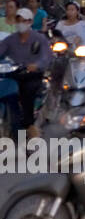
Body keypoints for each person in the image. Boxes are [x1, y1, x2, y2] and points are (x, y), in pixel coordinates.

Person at [0, 8, 54, 138]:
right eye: (18, 20)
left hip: (31, 75)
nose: (21, 23)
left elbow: (46, 56)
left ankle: (30, 126)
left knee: (27, 93)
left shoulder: (39, 38)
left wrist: (36, 65)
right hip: (13, 73)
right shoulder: (10, 39)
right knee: (7, 92)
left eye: (24, 21)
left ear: (30, 22)